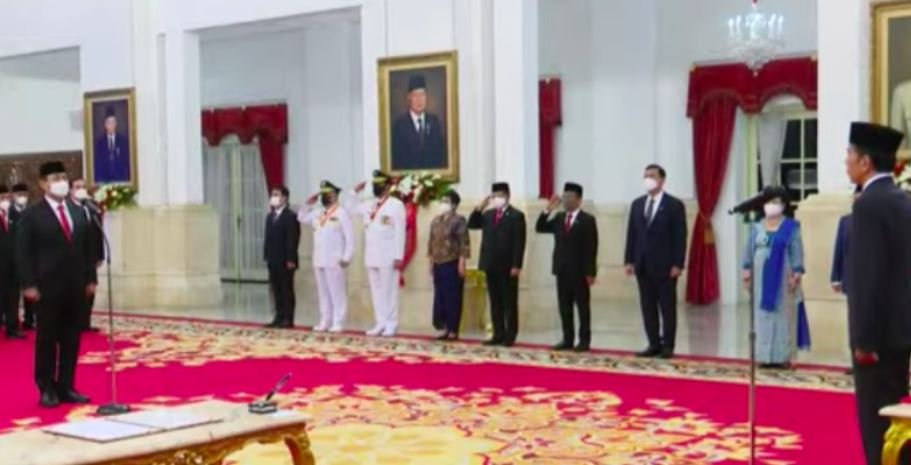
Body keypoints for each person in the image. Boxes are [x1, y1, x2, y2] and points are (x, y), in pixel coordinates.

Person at [844, 121, 911, 465]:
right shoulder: (902, 200)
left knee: (876, 427)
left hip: (877, 340)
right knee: (898, 423)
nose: (846, 161)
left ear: (866, 161)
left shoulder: (868, 205)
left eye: (849, 154)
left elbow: (868, 277)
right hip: (901, 333)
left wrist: (863, 341)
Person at [16, 161, 97, 407]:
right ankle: (46, 387)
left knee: (71, 338)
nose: (61, 182)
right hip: (46, 287)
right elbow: (23, 253)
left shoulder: (78, 211)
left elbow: (87, 249)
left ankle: (66, 386)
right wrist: (28, 284)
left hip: (75, 286)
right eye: (55, 178)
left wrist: (90, 278)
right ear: (43, 184)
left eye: (63, 177)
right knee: (47, 339)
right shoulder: (32, 215)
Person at [741, 186, 810, 369]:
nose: (771, 205)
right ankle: (762, 356)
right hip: (759, 279)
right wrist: (746, 269)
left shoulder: (791, 227)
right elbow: (748, 250)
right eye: (768, 201)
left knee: (782, 316)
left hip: (783, 277)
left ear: (783, 205)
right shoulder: (756, 226)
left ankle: (782, 357)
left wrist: (796, 273)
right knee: (761, 316)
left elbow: (796, 251)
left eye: (776, 202)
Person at [623, 164, 687, 359]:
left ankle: (668, 345)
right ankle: (653, 343)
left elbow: (680, 236)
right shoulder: (637, 204)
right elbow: (632, 234)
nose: (647, 179)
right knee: (647, 306)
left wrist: (678, 264)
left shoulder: (674, 205)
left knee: (667, 307)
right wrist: (629, 260)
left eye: (651, 175)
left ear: (661, 180)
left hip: (666, 266)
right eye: (645, 176)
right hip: (642, 264)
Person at [536, 182, 599, 352]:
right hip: (562, 270)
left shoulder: (587, 220)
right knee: (564, 307)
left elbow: (591, 248)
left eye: (570, 197)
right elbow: (540, 227)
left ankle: (584, 340)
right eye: (564, 197)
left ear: (579, 199)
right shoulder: (559, 218)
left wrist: (591, 272)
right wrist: (548, 209)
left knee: (582, 307)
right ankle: (567, 339)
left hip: (580, 272)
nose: (566, 200)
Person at [468, 182, 527, 347]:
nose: (496, 199)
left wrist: (516, 264)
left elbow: (519, 242)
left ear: (507, 196)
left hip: (508, 266)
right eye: (494, 196)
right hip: (490, 263)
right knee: (495, 301)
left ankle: (510, 335)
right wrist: (480, 207)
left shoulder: (516, 216)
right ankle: (498, 333)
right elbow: (472, 224)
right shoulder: (488, 214)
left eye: (499, 196)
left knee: (509, 302)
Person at [351, 170, 406, 337]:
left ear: (388, 187)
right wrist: (354, 192)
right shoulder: (370, 204)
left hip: (388, 255)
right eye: (375, 184)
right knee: (376, 291)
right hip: (372, 255)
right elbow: (351, 207)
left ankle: (391, 323)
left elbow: (400, 231)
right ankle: (380, 322)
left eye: (380, 184)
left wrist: (398, 256)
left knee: (389, 291)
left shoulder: (396, 205)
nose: (376, 187)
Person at [299, 181, 354, 332]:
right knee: (323, 294)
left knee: (337, 293)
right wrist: (308, 204)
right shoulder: (318, 213)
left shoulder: (342, 213)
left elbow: (349, 238)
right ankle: (325, 321)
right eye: (322, 194)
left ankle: (338, 322)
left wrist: (347, 257)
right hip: (319, 259)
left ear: (334, 195)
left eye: (327, 194)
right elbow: (301, 218)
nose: (323, 196)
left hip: (335, 260)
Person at [428, 189, 470, 341]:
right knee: (440, 297)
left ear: (454, 204)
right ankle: (444, 327)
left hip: (452, 263)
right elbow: (431, 242)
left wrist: (462, 262)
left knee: (453, 297)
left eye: (446, 201)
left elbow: (464, 243)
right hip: (438, 263)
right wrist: (431, 261)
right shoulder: (436, 221)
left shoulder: (459, 220)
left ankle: (453, 329)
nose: (443, 204)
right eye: (441, 201)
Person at [830, 185, 862, 376]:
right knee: (853, 322)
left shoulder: (875, 222)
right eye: (855, 198)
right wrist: (835, 277)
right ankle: (855, 360)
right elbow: (839, 250)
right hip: (851, 279)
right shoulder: (845, 221)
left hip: (873, 280)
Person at [391, 74, 448, 171]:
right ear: (409, 97)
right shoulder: (399, 125)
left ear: (426, 97)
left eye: (422, 95)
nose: (419, 100)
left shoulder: (434, 122)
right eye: (415, 95)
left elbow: (441, 156)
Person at [263, 186, 300, 329]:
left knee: (286, 289)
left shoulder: (290, 216)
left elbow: (293, 239)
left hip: (285, 260)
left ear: (284, 198)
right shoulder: (270, 216)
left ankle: (288, 318)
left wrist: (291, 259)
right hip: (273, 259)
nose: (273, 197)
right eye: (272, 194)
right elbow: (268, 238)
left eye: (276, 194)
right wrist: (266, 256)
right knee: (276, 289)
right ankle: (278, 316)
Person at [70, 178, 104, 333]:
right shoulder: (68, 208)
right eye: (77, 187)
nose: (81, 189)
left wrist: (100, 255)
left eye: (83, 187)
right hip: (75, 257)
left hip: (91, 256)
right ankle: (74, 322)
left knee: (90, 289)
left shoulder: (92, 207)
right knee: (76, 291)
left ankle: (85, 322)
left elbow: (99, 232)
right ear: (71, 190)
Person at [0, 186, 23, 340]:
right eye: (1, 198)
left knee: (13, 297)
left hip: (13, 265)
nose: (5, 201)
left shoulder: (15, 215)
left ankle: (12, 328)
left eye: (7, 198)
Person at [11, 182, 34, 331]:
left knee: (29, 291)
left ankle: (29, 320)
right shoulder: (8, 211)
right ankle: (11, 321)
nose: (22, 197)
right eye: (19, 195)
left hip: (29, 259)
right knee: (12, 294)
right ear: (13, 196)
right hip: (12, 259)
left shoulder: (32, 212)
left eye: (24, 195)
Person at [93, 106, 132, 183]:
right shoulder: (99, 143)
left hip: (120, 180)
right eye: (109, 123)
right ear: (105, 125)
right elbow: (98, 165)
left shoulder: (123, 141)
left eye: (113, 122)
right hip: (104, 180)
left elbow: (126, 163)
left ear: (116, 124)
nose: (111, 125)